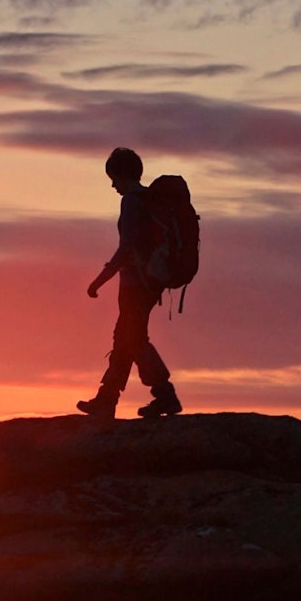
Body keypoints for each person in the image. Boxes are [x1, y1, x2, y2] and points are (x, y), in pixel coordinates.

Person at [76, 147, 182, 420]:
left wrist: (99, 281)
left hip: (137, 284)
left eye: (114, 178)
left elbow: (126, 248)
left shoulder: (133, 202)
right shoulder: (147, 200)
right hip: (150, 283)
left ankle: (163, 394)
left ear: (123, 175)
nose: (112, 185)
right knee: (125, 338)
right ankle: (108, 399)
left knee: (133, 339)